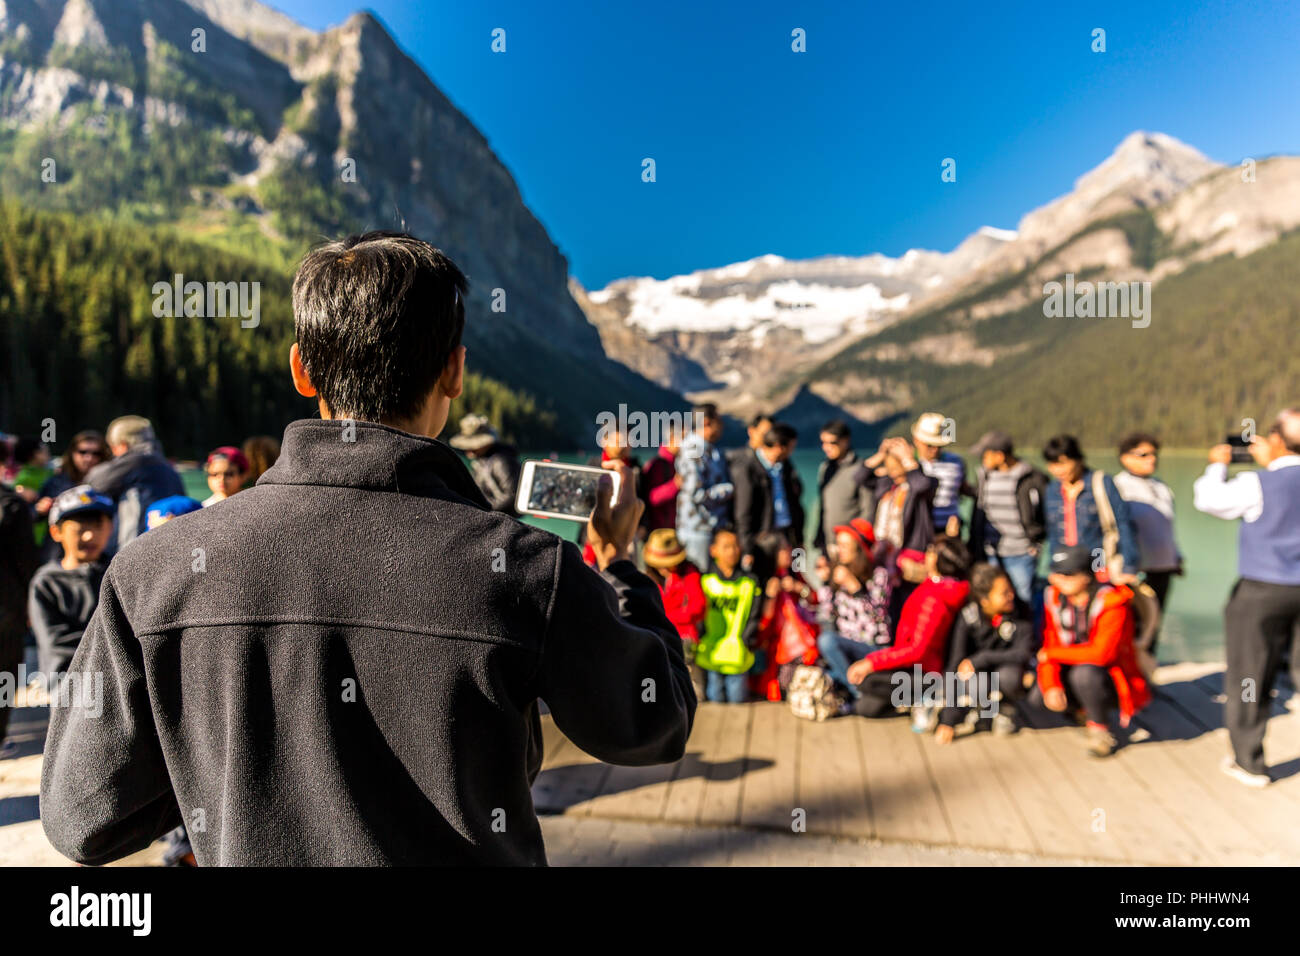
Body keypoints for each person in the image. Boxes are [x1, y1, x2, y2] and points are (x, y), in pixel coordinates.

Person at [41, 231, 695, 866]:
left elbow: (82, 819)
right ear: (455, 371)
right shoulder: (525, 567)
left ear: (301, 368)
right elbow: (652, 723)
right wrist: (619, 567)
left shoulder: (152, 572)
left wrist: (215, 765)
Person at [1193, 408, 1300, 787]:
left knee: (1249, 675)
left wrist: (1217, 466)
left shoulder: (1259, 483)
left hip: (1263, 590)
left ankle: (1249, 762)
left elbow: (1209, 501)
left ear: (1276, 441)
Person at [1032, 547, 1150, 757]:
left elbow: (1101, 654)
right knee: (1038, 695)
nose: (1059, 579)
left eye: (1067, 574)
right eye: (1056, 573)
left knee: (1085, 674)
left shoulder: (1112, 602)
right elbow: (1049, 642)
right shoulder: (1055, 598)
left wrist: (1051, 654)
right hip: (1072, 669)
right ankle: (1080, 712)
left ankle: (1100, 729)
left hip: (1111, 678)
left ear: (1086, 576)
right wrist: (1052, 685)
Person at [846, 534, 972, 726]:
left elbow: (917, 650)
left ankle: (926, 696)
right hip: (914, 665)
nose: (926, 554)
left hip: (924, 672)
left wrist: (872, 663)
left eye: (931, 551)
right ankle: (910, 699)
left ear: (939, 560)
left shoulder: (936, 599)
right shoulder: (942, 586)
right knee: (867, 707)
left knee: (866, 680)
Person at [934, 563, 1035, 744]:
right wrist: (948, 720)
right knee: (975, 680)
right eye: (1004, 593)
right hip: (978, 677)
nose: (1011, 595)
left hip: (1005, 672)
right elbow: (955, 664)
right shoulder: (968, 617)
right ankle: (980, 708)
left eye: (1010, 589)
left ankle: (1006, 707)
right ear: (984, 600)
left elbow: (1024, 653)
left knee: (1010, 677)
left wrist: (982, 658)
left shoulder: (1019, 610)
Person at [28, 486, 114, 684]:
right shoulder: (47, 582)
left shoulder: (119, 574)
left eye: (97, 526)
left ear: (110, 528)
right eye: (80, 528)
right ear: (56, 531)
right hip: (69, 689)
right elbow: (57, 644)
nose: (89, 536)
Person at [1113, 431, 1183, 652]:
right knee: (1132, 624)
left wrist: (1177, 556)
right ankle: (1129, 677)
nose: (1151, 459)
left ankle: (1147, 672)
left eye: (1154, 454)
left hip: (1163, 566)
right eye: (1144, 454)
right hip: (1135, 570)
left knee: (1154, 624)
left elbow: (1167, 526)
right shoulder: (1118, 487)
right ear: (1125, 458)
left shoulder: (1161, 486)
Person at [1041, 434, 1140, 586]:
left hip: (1097, 559)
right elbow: (1053, 533)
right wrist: (1055, 566)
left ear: (1078, 459)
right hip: (1067, 565)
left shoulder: (1101, 483)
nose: (1058, 470)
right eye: (1052, 464)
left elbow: (1124, 524)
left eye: (1062, 463)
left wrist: (1129, 567)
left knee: (1100, 601)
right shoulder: (1052, 490)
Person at [857, 436, 936, 620]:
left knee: (911, 607)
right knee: (891, 611)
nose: (892, 471)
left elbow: (922, 484)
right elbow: (860, 476)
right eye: (889, 465)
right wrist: (880, 454)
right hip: (886, 559)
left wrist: (908, 458)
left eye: (896, 466)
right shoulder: (888, 487)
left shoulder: (921, 485)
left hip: (910, 560)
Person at [815, 518, 895, 699]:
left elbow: (878, 618)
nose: (839, 550)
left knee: (828, 643)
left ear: (859, 549)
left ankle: (857, 694)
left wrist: (855, 588)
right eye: (838, 545)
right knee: (824, 650)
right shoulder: (838, 571)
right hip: (847, 644)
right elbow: (825, 614)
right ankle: (857, 691)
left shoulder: (879, 575)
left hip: (873, 646)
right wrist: (826, 582)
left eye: (844, 545)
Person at [967, 430, 1048, 606]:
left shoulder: (1031, 477)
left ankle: (1025, 633)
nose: (983, 459)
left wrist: (1037, 542)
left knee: (1023, 601)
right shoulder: (984, 476)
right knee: (990, 602)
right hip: (990, 553)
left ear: (1000, 455)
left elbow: (1047, 512)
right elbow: (978, 511)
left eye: (986, 455)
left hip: (1021, 553)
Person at [85, 415, 184, 553]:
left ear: (122, 444)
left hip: (134, 551)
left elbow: (92, 484)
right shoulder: (169, 469)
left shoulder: (136, 462)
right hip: (168, 548)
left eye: (112, 447)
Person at [732, 422, 804, 581]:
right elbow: (743, 512)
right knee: (766, 584)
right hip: (763, 540)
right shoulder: (748, 469)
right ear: (780, 447)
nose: (791, 452)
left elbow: (796, 502)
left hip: (786, 535)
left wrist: (799, 539)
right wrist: (747, 549)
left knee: (792, 577)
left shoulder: (785, 468)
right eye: (791, 447)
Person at [643, 528, 708, 701]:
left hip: (684, 637)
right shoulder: (647, 578)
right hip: (656, 637)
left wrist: (667, 618)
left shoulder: (690, 574)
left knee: (691, 687)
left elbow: (699, 607)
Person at [696, 528, 761, 703]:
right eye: (726, 547)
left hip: (737, 654)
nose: (732, 551)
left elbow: (754, 616)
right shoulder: (704, 581)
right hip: (711, 653)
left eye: (735, 546)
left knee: (737, 701)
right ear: (713, 550)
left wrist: (747, 639)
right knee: (714, 699)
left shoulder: (749, 582)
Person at [0, 483, 39, 749]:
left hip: (8, 605)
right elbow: (26, 559)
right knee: (4, 671)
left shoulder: (12, 504)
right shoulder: (12, 503)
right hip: (8, 605)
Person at [33, 431, 111, 562]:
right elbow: (32, 515)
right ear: (72, 453)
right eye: (83, 452)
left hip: (98, 555)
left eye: (95, 453)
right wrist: (40, 509)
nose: (89, 458)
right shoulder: (56, 482)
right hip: (58, 554)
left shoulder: (111, 483)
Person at [676, 403, 734, 571]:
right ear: (707, 422)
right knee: (698, 582)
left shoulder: (710, 450)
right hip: (697, 530)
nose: (722, 427)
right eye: (719, 422)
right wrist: (729, 490)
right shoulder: (692, 450)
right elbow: (696, 493)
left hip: (709, 528)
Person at [813, 419, 874, 562]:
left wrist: (856, 541)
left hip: (851, 546)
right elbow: (823, 507)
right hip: (828, 544)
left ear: (846, 441)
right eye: (823, 442)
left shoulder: (860, 469)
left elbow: (867, 510)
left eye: (832, 443)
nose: (826, 447)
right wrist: (819, 539)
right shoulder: (825, 468)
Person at [448, 413, 522, 516]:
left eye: (473, 447)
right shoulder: (482, 460)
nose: (469, 452)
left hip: (502, 521)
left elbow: (514, 497)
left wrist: (482, 510)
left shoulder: (501, 460)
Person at [911, 412, 967, 535]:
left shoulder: (957, 462)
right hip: (919, 530)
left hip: (950, 529)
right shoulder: (911, 464)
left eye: (939, 445)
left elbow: (963, 489)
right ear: (916, 441)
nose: (935, 449)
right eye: (930, 445)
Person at [641, 424, 682, 533]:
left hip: (678, 529)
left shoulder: (680, 463)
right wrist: (675, 485)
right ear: (672, 438)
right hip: (659, 532)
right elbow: (651, 497)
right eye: (683, 438)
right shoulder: (656, 465)